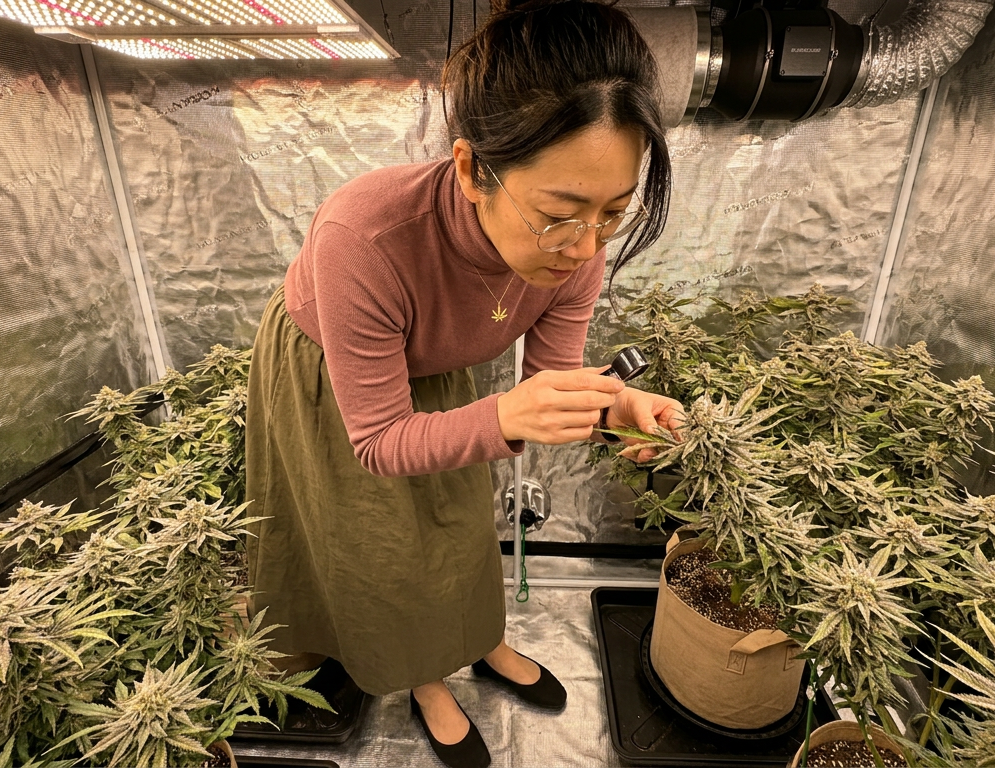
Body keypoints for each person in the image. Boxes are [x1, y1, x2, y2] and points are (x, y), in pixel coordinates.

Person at [243, 1, 682, 765]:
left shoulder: (576, 251)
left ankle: (482, 641)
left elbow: (554, 382)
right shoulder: (365, 237)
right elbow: (379, 441)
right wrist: (507, 413)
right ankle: (422, 678)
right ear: (473, 167)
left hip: (439, 371)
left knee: (458, 529)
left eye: (613, 213)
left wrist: (617, 407)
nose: (583, 247)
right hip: (333, 384)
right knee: (382, 544)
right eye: (560, 213)